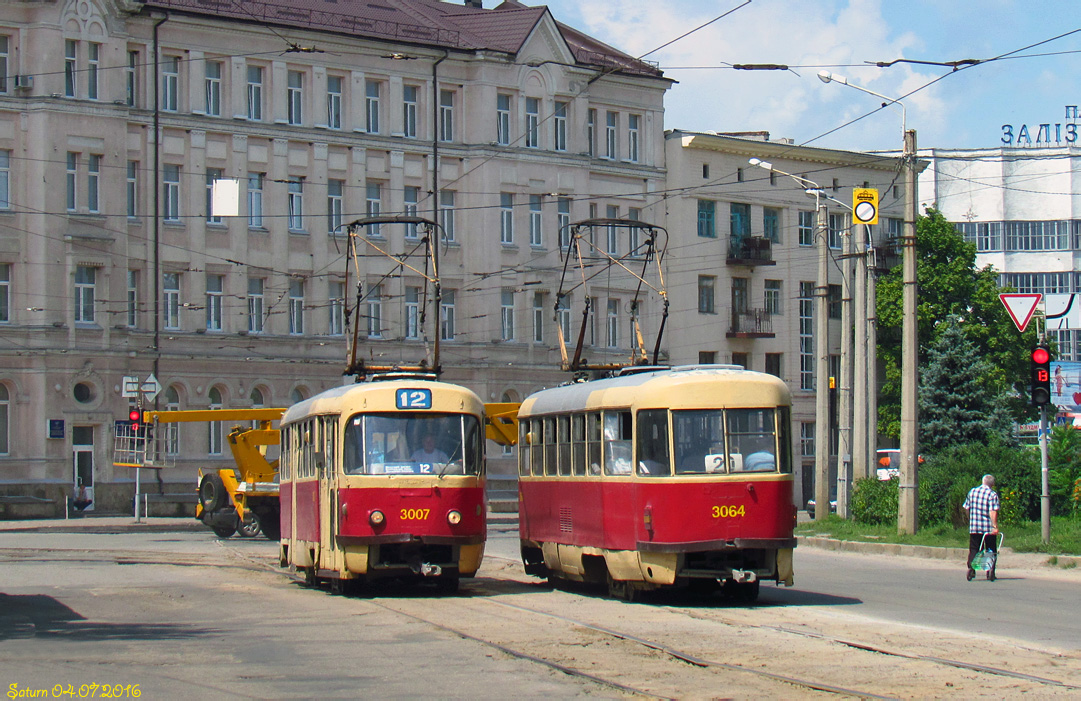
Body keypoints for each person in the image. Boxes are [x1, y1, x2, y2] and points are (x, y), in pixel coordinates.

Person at [962, 474, 1000, 581]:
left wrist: (971, 519)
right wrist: (995, 526)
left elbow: (966, 507)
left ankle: (971, 568)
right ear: (992, 484)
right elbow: (993, 512)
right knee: (990, 549)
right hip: (987, 528)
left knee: (974, 548)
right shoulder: (992, 495)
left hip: (974, 527)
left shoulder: (972, 492)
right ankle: (990, 571)